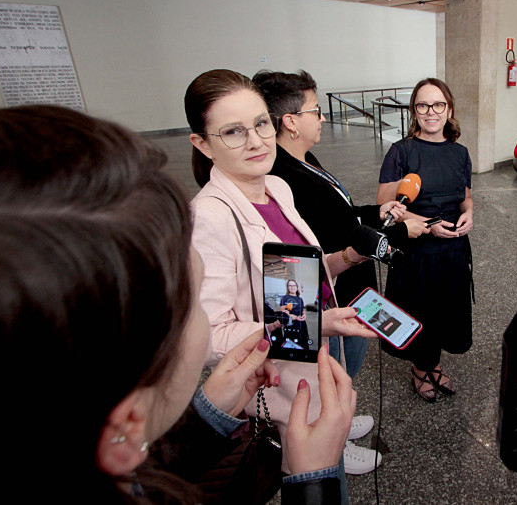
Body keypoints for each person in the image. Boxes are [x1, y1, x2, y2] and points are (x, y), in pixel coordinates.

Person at [0, 105, 354, 503]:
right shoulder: (211, 214)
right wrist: (313, 482)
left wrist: (206, 417)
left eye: (261, 123)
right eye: (189, 303)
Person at [185, 69, 379, 492]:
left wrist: (347, 258)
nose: (256, 141)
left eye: (259, 124)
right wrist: (314, 324)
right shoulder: (211, 218)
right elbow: (209, 337)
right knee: (320, 482)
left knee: (328, 443)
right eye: (233, 132)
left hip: (318, 358)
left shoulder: (275, 188)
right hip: (282, 386)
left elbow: (292, 274)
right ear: (202, 143)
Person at [253, 69, 429, 472]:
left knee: (344, 370)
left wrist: (377, 211)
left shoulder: (303, 159)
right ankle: (328, 439)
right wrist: (401, 229)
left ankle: (341, 422)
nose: (324, 118)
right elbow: (328, 238)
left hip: (350, 281)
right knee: (327, 371)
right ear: (291, 121)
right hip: (331, 289)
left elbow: (341, 216)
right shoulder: (282, 176)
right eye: (315, 110)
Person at [377, 77, 474, 402]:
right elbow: (385, 207)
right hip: (417, 252)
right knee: (420, 311)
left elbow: (465, 196)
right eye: (423, 105)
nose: (430, 112)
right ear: (413, 111)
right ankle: (421, 369)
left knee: (444, 311)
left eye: (438, 105)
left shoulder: (459, 153)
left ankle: (434, 362)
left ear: (449, 109)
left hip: (453, 250)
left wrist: (469, 212)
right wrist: (427, 224)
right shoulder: (401, 152)